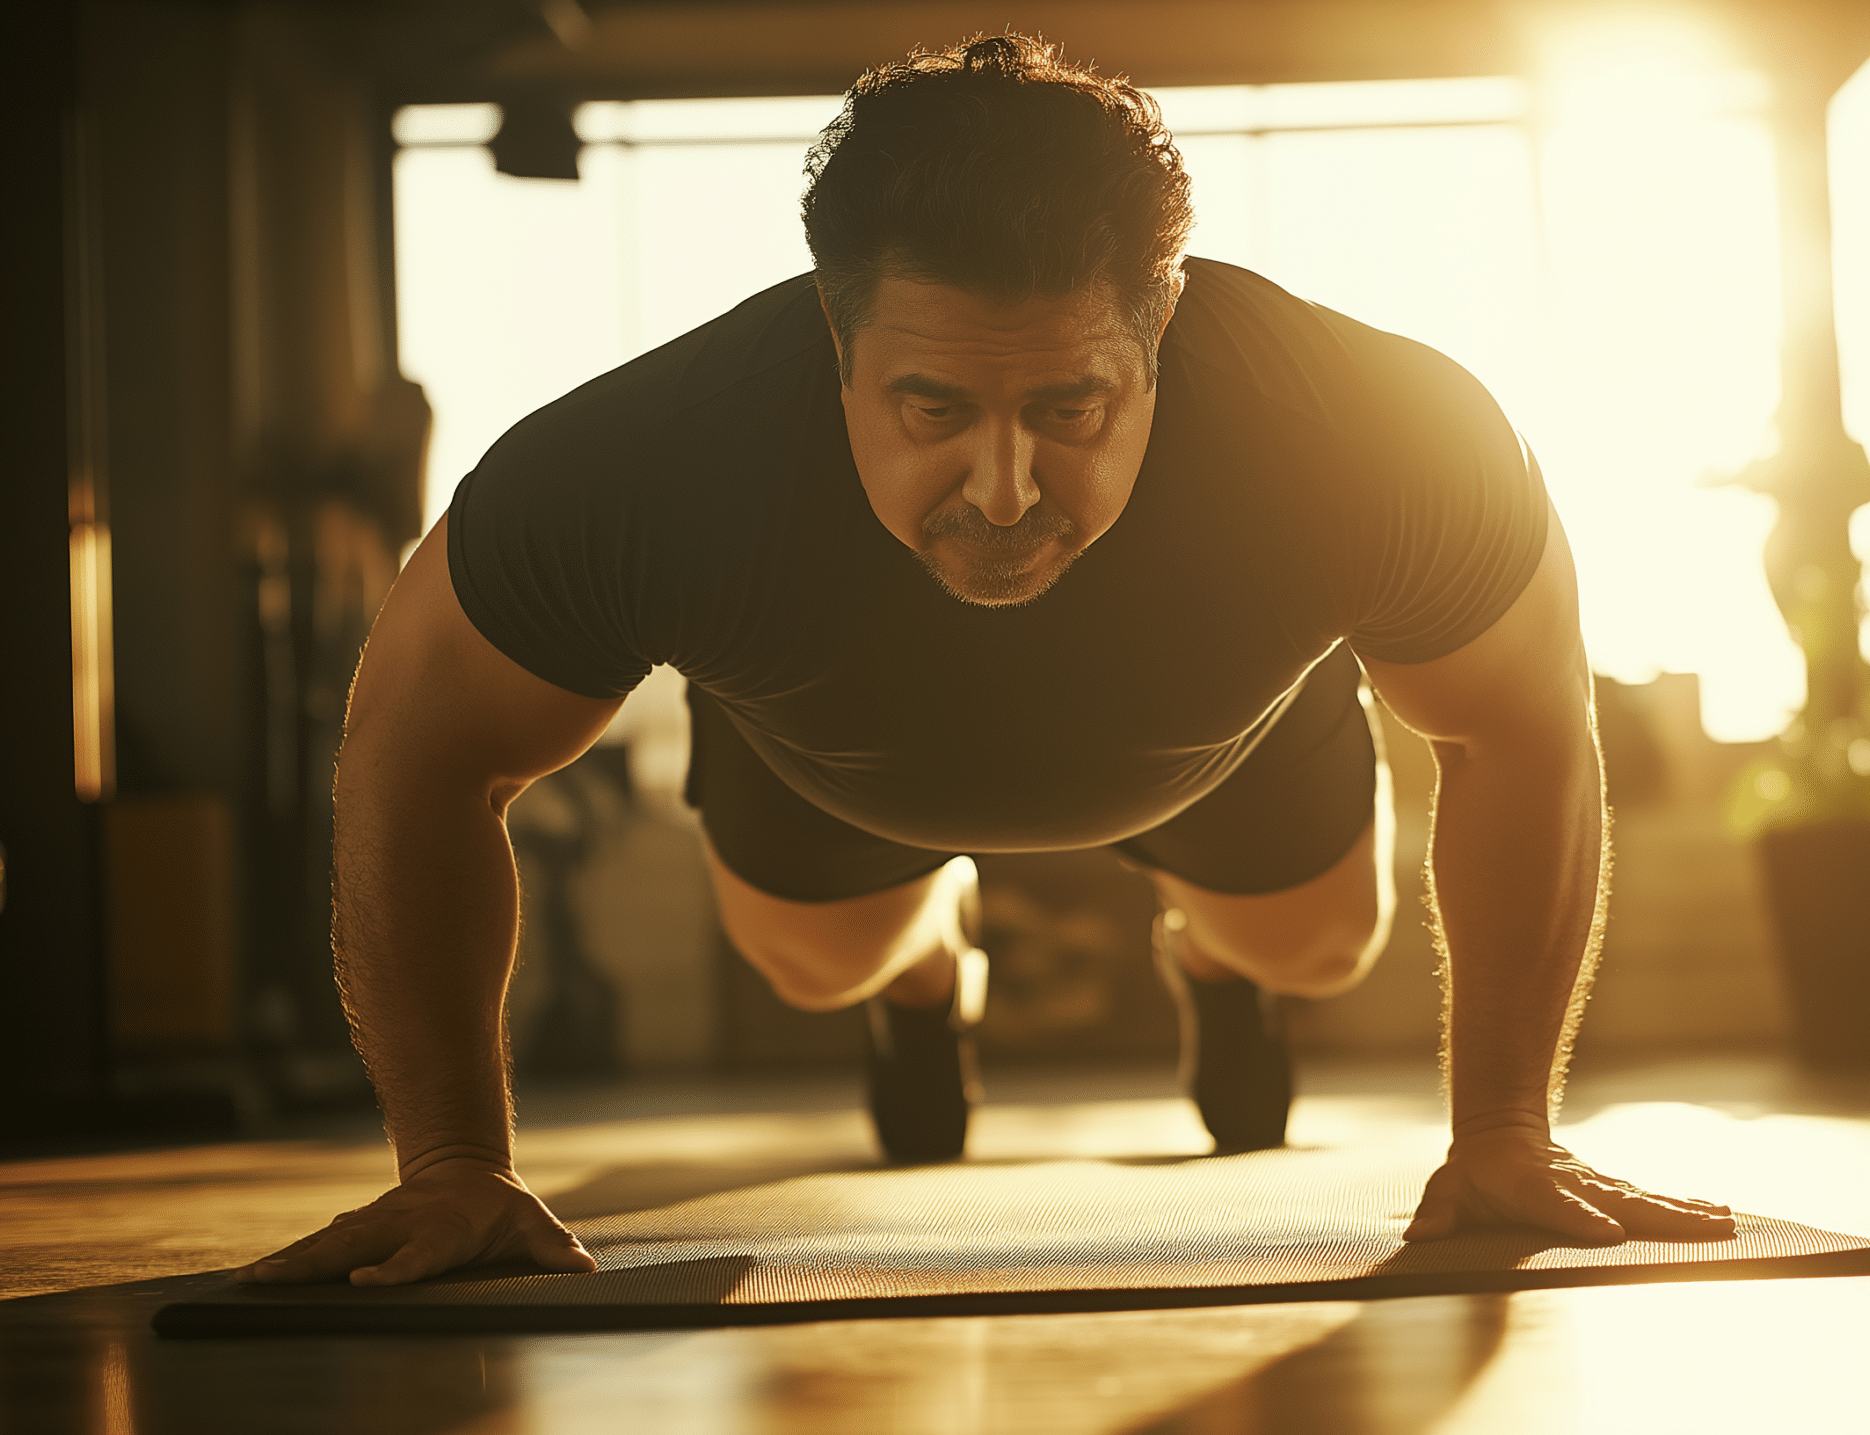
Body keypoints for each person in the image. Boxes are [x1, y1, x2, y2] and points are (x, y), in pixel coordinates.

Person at [237, 34, 1733, 1289]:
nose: (1005, 490)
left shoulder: (1370, 433)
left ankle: (1208, 954)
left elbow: (1529, 721)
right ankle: (925, 970)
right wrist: (450, 1162)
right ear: (835, 338)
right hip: (835, 737)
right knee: (812, 960)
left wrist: (1506, 1132)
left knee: (1317, 947)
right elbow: (417, 743)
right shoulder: (649, 465)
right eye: (934, 407)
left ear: (1161, 335)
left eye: (1071, 409)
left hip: (1226, 721)